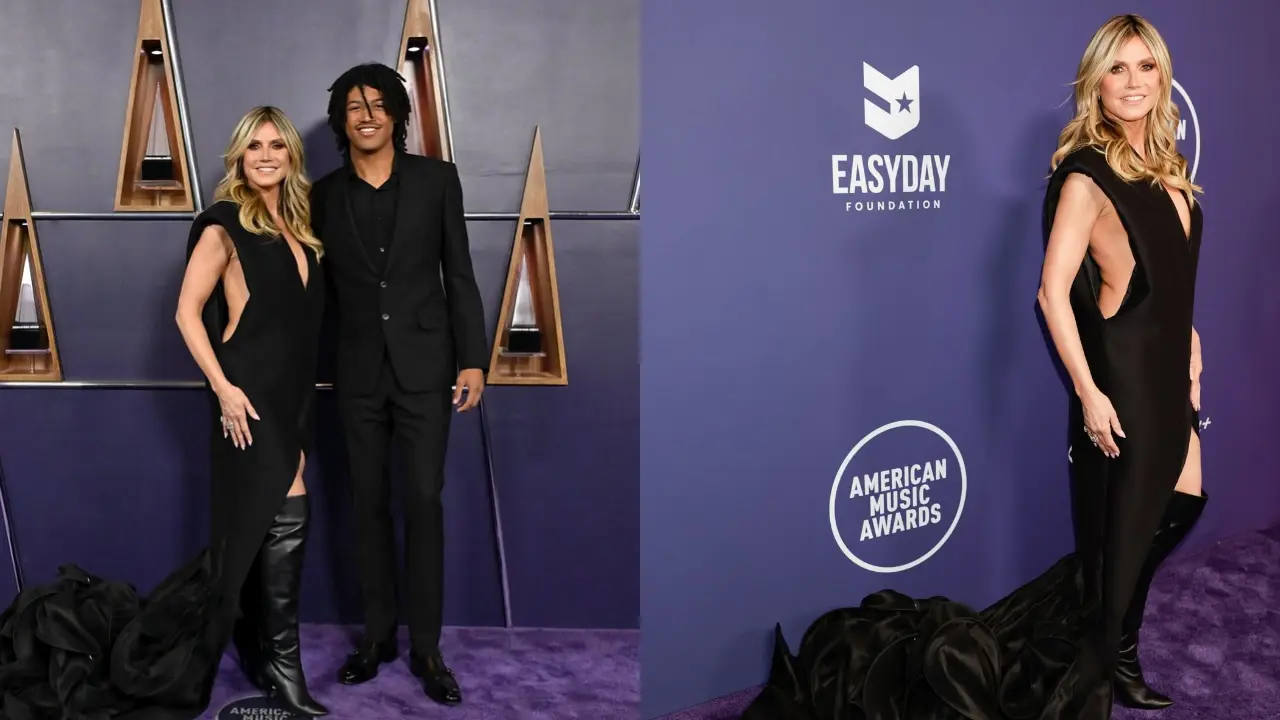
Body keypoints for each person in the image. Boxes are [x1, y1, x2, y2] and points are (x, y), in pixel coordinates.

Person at [741, 15, 1207, 720]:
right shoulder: (1088, 175)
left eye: (1146, 67)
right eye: (1118, 68)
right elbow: (1052, 293)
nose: (1134, 82)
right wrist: (1088, 393)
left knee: (1176, 508)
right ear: (1096, 83)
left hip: (1170, 372)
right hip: (1125, 382)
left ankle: (1108, 637)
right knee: (1127, 539)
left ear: (1162, 76)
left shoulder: (1169, 167)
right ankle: (1102, 665)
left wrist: (1193, 343)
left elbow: (1172, 279)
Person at [0, 106, 330, 719]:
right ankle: (282, 667)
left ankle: (260, 647)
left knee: (269, 522)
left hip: (290, 398)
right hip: (246, 395)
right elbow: (186, 311)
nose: (265, 156)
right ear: (239, 157)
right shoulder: (224, 223)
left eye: (276, 146)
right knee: (280, 513)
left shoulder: (300, 227)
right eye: (253, 146)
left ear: (291, 156)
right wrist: (223, 389)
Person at [309, 63, 488, 706]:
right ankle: (376, 638)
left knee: (422, 501)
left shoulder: (437, 180)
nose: (367, 116)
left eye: (378, 104)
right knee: (366, 506)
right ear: (341, 119)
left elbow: (458, 274)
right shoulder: (323, 195)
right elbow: (316, 292)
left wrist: (473, 359)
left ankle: (427, 649)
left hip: (425, 370)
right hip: (356, 372)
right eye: (355, 106)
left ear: (397, 114)